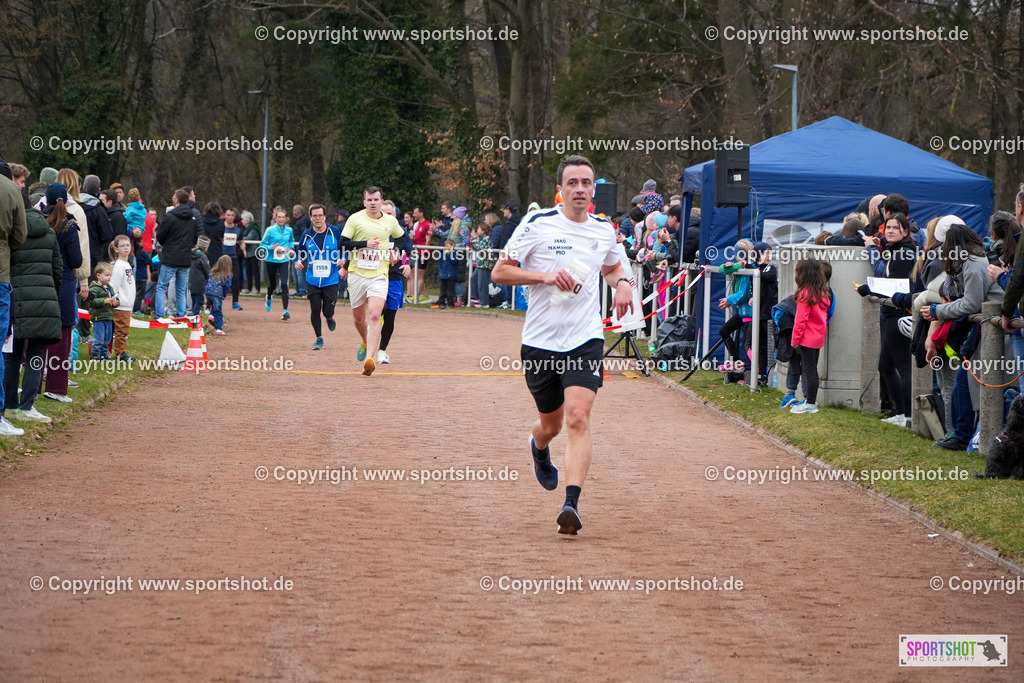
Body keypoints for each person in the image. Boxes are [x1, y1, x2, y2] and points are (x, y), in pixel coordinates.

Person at [491, 154, 633, 535]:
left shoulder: (604, 229)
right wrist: (546, 276)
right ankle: (538, 447)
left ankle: (571, 504)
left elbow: (613, 266)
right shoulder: (537, 224)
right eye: (573, 183)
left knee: (577, 417)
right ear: (560, 190)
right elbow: (500, 271)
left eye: (587, 183)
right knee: (551, 425)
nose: (581, 189)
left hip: (585, 338)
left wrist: (622, 285)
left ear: (594, 190)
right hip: (539, 341)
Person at [924, 224, 1005, 450]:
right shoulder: (973, 259)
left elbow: (971, 302)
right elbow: (958, 296)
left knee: (965, 384)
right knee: (963, 383)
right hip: (985, 329)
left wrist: (936, 311)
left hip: (992, 330)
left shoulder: (971, 263)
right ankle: (963, 436)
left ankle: (965, 438)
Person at [339, 186, 405, 376]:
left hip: (379, 275)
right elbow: (342, 243)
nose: (373, 203)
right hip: (357, 275)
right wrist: (364, 244)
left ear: (382, 202)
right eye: (370, 200)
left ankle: (369, 360)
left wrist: (396, 251)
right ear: (364, 202)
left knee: (376, 315)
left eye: (376, 200)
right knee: (358, 319)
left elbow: (403, 239)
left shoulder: (390, 221)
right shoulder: (355, 219)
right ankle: (366, 340)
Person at [4, 183, 54, 425]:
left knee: (13, 355)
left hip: (17, 299)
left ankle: (10, 405)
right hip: (44, 300)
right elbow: (58, 270)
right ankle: (28, 406)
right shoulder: (50, 233)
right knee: (36, 355)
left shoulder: (14, 237)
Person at [864, 212, 919, 427]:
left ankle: (908, 416)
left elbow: (893, 284)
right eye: (888, 227)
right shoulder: (892, 250)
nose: (890, 231)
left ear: (905, 231)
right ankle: (901, 412)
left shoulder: (904, 252)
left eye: (896, 228)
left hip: (899, 314)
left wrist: (872, 289)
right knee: (885, 366)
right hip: (890, 313)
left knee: (904, 368)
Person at [39, 183, 80, 406]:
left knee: (37, 336)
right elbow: (75, 260)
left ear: (47, 200)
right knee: (61, 338)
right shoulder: (68, 226)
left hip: (40, 281)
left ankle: (33, 384)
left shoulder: (38, 222)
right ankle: (55, 387)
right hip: (62, 283)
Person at [785, 259, 833, 415]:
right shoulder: (823, 292)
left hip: (807, 338)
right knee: (812, 370)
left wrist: (794, 340)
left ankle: (811, 403)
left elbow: (800, 320)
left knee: (809, 371)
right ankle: (811, 400)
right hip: (818, 337)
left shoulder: (805, 294)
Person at [294, 204, 342, 350]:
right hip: (313, 279)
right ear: (310, 217)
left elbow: (343, 249)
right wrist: (298, 261)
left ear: (325, 216)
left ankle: (329, 317)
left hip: (331, 279)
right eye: (314, 215)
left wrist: (343, 259)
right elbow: (300, 252)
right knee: (315, 309)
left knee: (327, 310)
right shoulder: (307, 235)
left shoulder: (334, 231)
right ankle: (319, 338)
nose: (317, 218)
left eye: (320, 215)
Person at [155, 189, 198, 318]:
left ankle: (160, 315)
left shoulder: (170, 216)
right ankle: (181, 315)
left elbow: (160, 236)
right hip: (185, 258)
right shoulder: (192, 218)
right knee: (181, 289)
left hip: (170, 257)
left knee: (162, 287)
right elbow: (194, 238)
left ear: (176, 200)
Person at [378, 201, 412, 363]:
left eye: (389, 213)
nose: (386, 216)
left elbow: (412, 251)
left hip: (394, 278)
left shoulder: (401, 232)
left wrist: (408, 264)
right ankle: (368, 340)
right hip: (375, 277)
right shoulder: (372, 230)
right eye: (383, 212)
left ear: (394, 215)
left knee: (390, 316)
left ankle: (382, 351)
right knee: (377, 312)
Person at [716, 240, 755, 376]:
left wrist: (729, 300)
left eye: (736, 254)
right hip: (742, 312)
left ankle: (759, 372)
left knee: (748, 346)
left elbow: (744, 294)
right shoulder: (740, 266)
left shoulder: (749, 268)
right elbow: (722, 269)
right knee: (724, 331)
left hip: (750, 313)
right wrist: (732, 265)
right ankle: (737, 363)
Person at [258, 206, 294, 320]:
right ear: (275, 218)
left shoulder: (289, 230)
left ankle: (285, 310)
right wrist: (270, 247)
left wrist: (292, 249)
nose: (281, 219)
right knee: (272, 285)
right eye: (279, 217)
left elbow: (291, 240)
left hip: (284, 259)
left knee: (284, 284)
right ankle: (269, 297)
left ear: (286, 218)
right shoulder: (270, 230)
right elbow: (262, 244)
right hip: (271, 260)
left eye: (283, 217)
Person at [109, 234, 136, 362]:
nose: (126, 248)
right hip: (121, 304)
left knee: (123, 330)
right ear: (116, 249)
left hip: (127, 304)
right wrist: (115, 299)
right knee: (121, 331)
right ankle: (120, 353)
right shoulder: (119, 266)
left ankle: (120, 351)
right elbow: (113, 285)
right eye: (122, 246)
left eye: (128, 245)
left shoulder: (127, 264)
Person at [89, 263, 117, 360]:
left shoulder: (109, 288)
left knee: (107, 338)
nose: (109, 278)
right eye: (106, 275)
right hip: (98, 317)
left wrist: (116, 302)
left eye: (110, 275)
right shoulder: (94, 288)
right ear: (98, 275)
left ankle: (104, 355)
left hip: (109, 317)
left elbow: (115, 298)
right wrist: (104, 301)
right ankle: (94, 355)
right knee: (99, 338)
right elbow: (91, 301)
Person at [221, 207, 244, 309]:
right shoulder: (221, 228)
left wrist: (243, 248)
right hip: (222, 258)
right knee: (220, 279)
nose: (230, 217)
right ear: (225, 216)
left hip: (233, 258)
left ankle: (235, 302)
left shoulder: (237, 230)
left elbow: (241, 241)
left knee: (236, 279)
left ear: (235, 217)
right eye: (228, 215)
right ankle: (214, 302)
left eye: (232, 215)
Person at [205, 255, 232, 335]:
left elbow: (207, 281)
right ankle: (219, 328)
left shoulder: (212, 272)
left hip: (208, 292)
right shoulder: (226, 276)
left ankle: (211, 315)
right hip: (217, 294)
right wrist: (223, 295)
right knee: (218, 310)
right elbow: (227, 286)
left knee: (214, 305)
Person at [292, 204, 311, 297]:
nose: (293, 213)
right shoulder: (299, 221)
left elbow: (305, 236)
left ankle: (302, 291)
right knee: (295, 271)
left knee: (300, 272)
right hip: (296, 250)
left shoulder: (303, 221)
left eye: (294, 210)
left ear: (298, 211)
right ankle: (299, 290)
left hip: (301, 251)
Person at [189, 237, 211, 316]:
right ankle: (195, 315)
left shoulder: (191, 254)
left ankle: (192, 314)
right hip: (200, 282)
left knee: (194, 299)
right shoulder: (202, 257)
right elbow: (207, 270)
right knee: (200, 300)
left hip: (191, 281)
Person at [241, 210, 261, 294]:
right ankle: (248, 288)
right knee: (248, 271)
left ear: (247, 220)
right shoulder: (244, 229)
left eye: (243, 219)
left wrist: (240, 238)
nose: (241, 221)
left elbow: (248, 238)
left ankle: (257, 288)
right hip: (248, 253)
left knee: (255, 271)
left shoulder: (253, 229)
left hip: (254, 253)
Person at [435, 238, 459, 308]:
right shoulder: (442, 254)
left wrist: (449, 255)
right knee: (442, 290)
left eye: (448, 246)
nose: (446, 247)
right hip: (443, 275)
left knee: (450, 291)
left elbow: (455, 262)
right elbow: (439, 263)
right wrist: (440, 272)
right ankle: (441, 303)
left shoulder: (455, 254)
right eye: (446, 246)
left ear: (452, 246)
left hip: (451, 275)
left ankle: (450, 303)